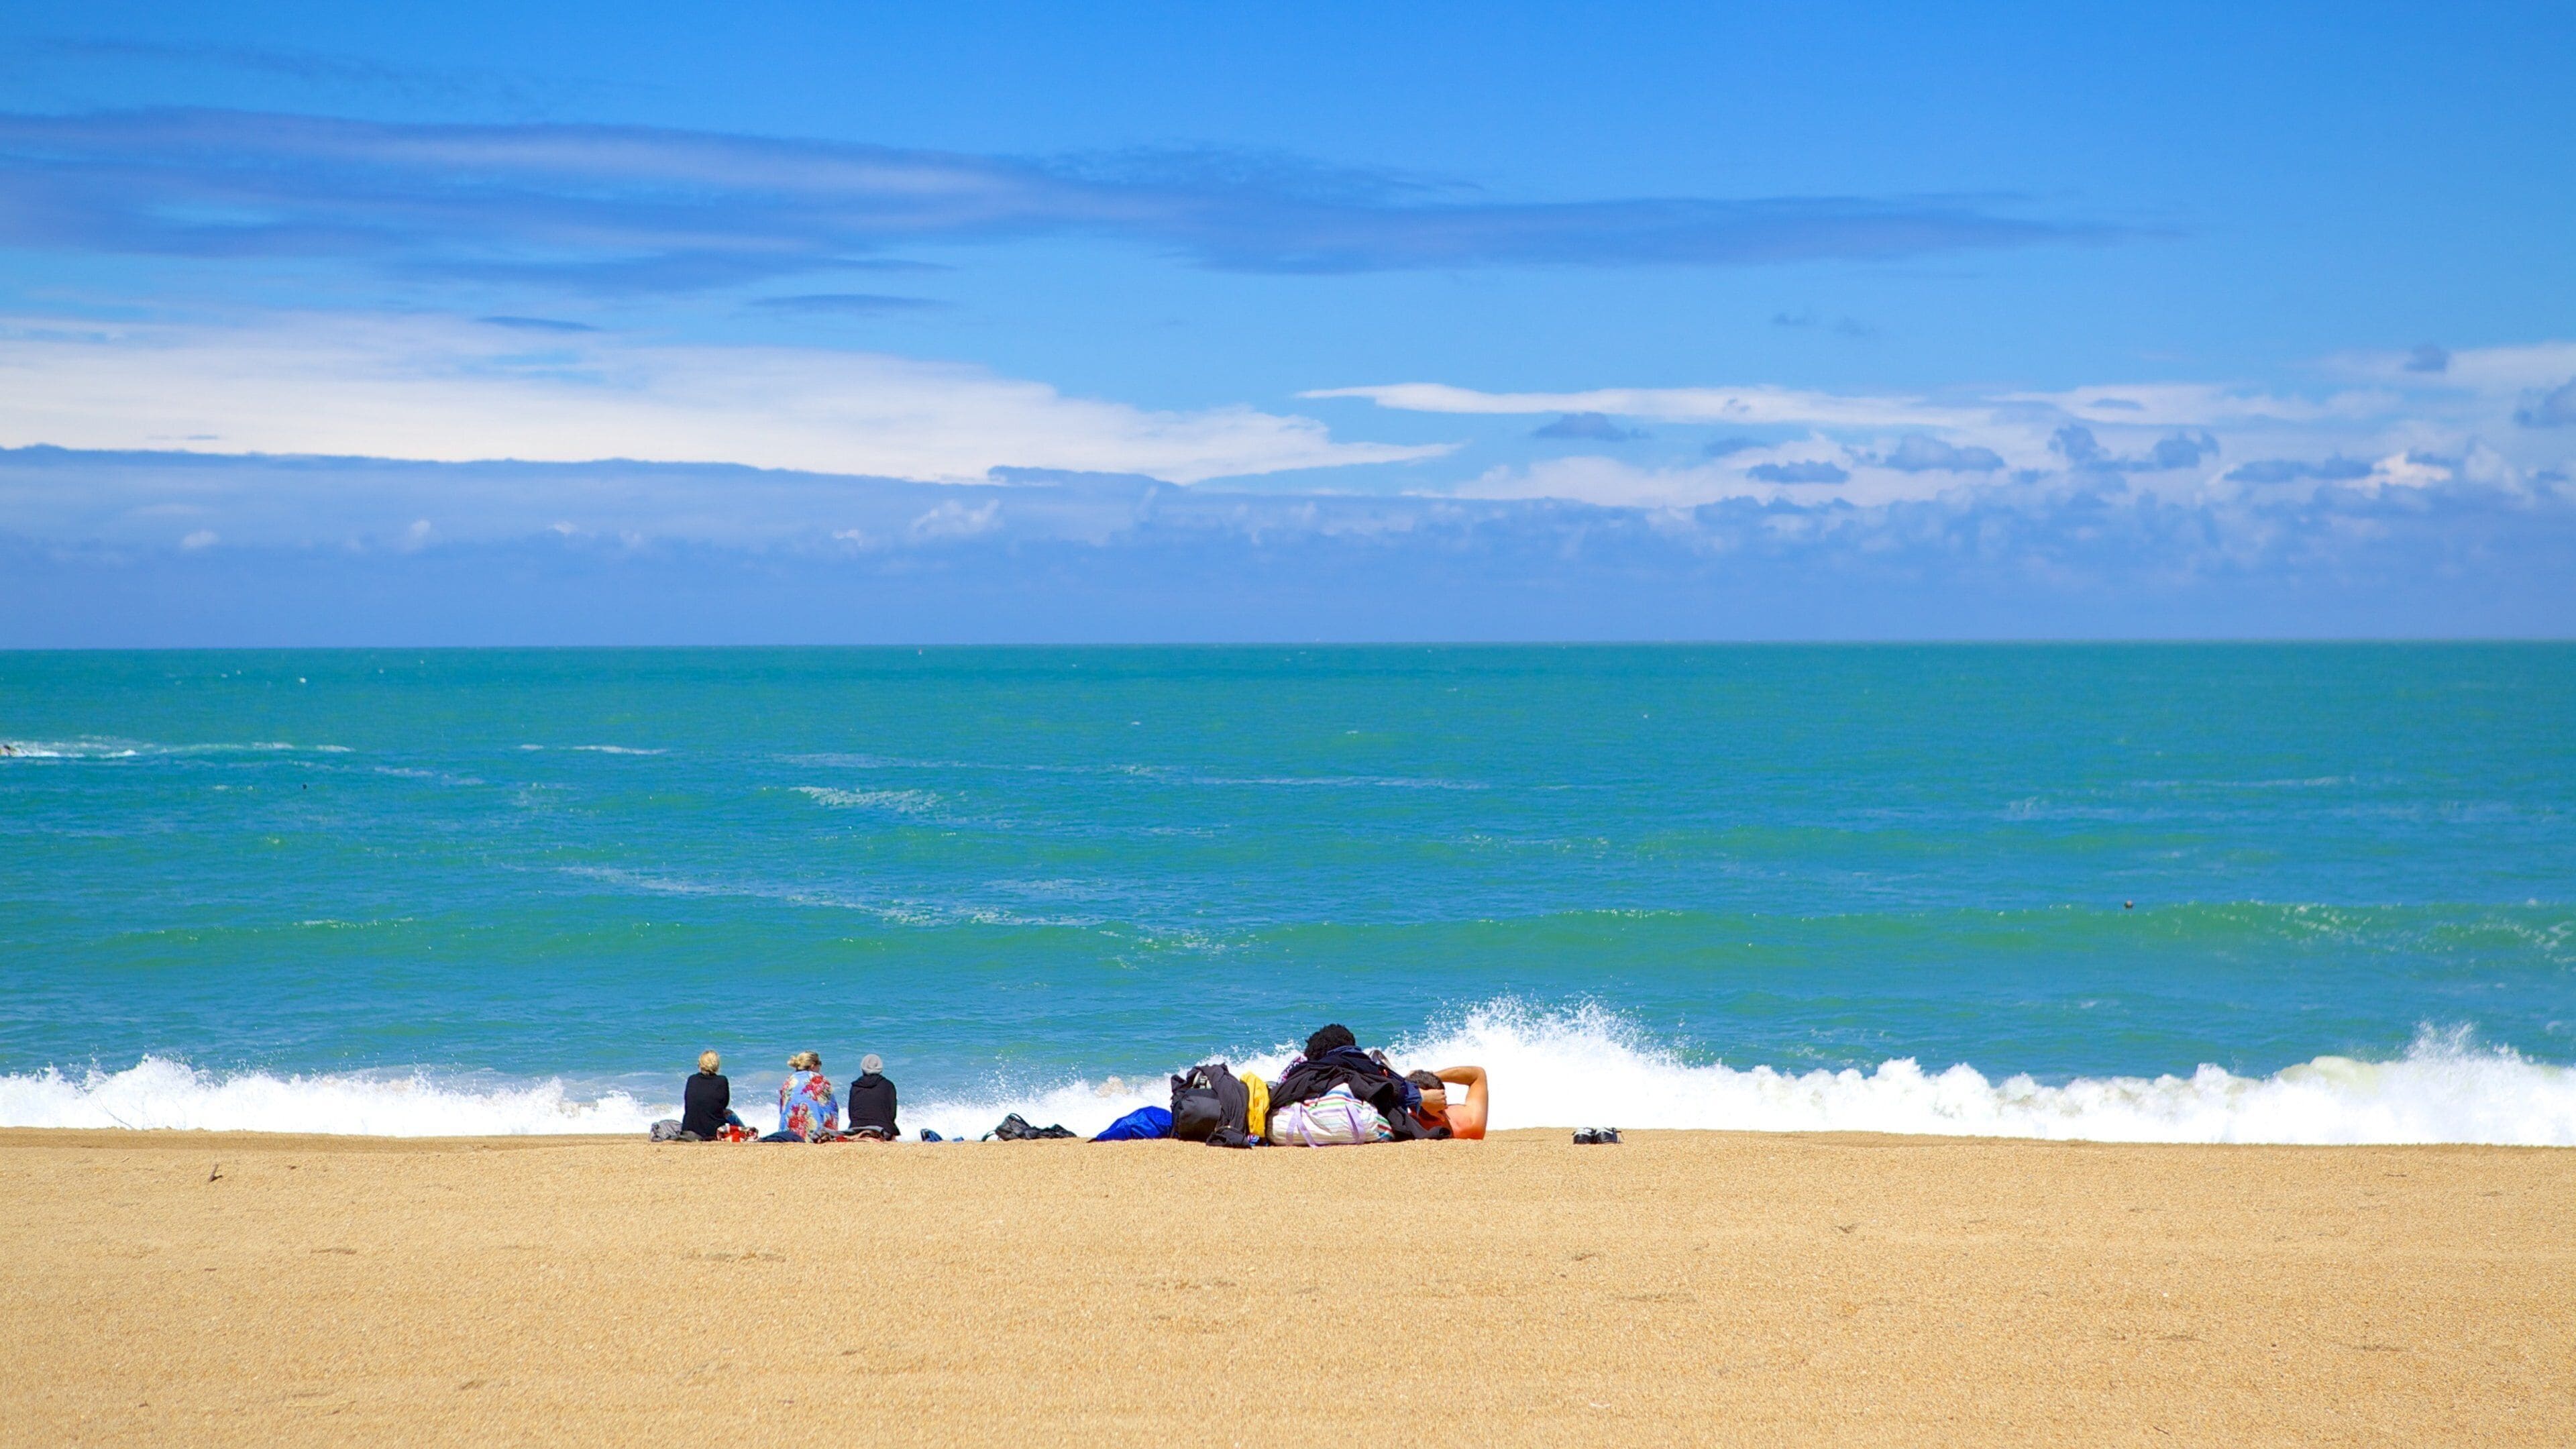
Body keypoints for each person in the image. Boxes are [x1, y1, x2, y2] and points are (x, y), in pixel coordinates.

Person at [1407, 1066, 1489, 1140]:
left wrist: (1413, 1093)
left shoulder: (1405, 1129)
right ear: (1444, 1101)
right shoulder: (1470, 1125)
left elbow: (1478, 1075)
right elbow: (1478, 1075)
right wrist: (1432, 1076)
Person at [773, 1051, 837, 1141]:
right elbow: (830, 1107)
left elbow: (783, 1108)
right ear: (813, 1066)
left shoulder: (789, 1080)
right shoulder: (819, 1078)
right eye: (820, 1063)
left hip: (789, 1134)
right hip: (814, 1134)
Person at [678, 1050, 739, 1141]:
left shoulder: (692, 1079)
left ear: (700, 1064)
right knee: (732, 1116)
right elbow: (724, 1104)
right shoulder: (722, 1081)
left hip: (690, 1129)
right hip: (713, 1131)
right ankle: (745, 1135)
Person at [843, 1053, 899, 1140]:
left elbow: (851, 1113)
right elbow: (892, 1114)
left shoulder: (855, 1086)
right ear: (880, 1068)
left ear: (862, 1068)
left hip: (857, 1128)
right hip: (882, 1129)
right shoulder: (888, 1085)